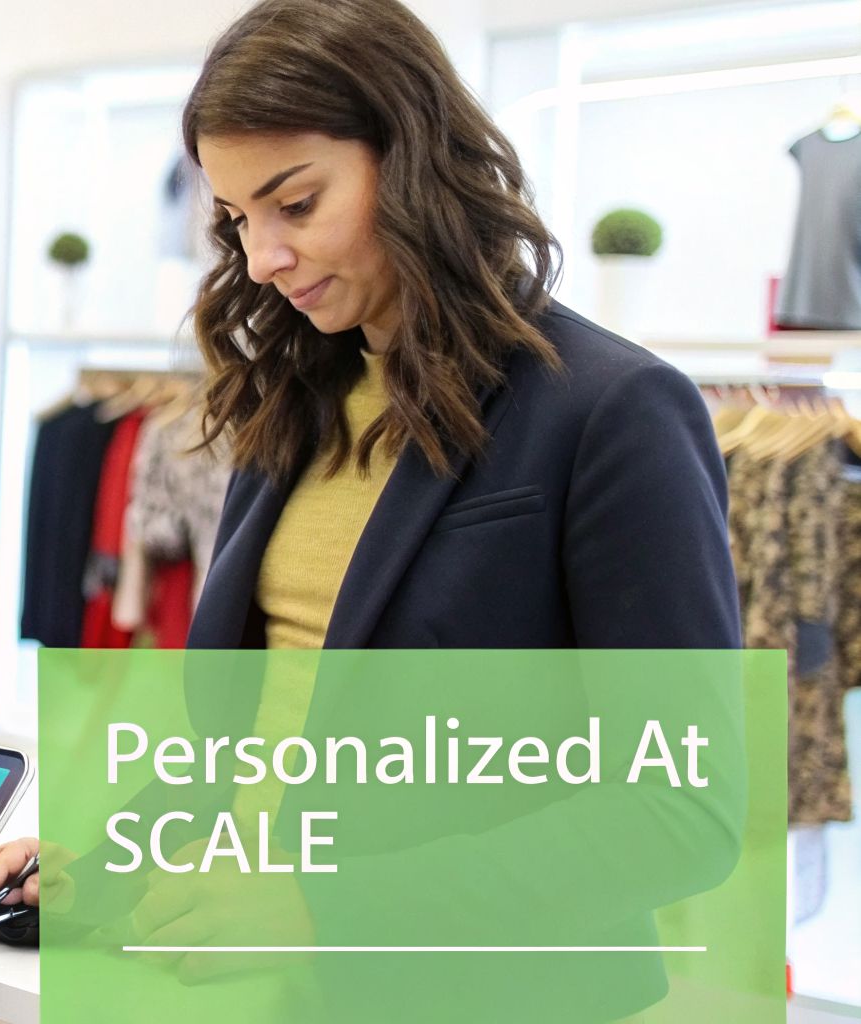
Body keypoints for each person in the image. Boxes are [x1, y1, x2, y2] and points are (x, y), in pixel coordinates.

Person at [134, 0, 744, 1017]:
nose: (259, 260)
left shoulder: (610, 409)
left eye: (294, 204)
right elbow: (263, 730)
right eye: (237, 218)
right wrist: (102, 853)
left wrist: (324, 905)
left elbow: (678, 813)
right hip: (272, 987)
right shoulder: (290, 396)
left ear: (409, 156)